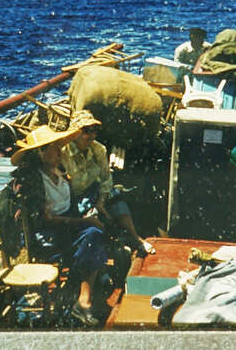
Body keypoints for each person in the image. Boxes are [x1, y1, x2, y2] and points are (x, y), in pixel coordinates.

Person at [11, 124, 109, 327]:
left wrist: (87, 216)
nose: (59, 151)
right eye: (54, 148)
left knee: (97, 230)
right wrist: (83, 222)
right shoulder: (33, 180)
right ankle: (83, 302)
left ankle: (85, 283)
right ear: (40, 153)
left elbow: (70, 205)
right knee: (92, 235)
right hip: (48, 236)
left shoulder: (60, 171)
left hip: (65, 227)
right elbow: (43, 220)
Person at [61, 110, 155, 257]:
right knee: (92, 219)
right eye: (87, 131)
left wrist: (101, 201)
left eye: (95, 131)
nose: (92, 135)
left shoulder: (98, 149)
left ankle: (135, 238)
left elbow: (106, 179)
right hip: (75, 198)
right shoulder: (63, 154)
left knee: (117, 199)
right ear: (74, 133)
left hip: (95, 191)